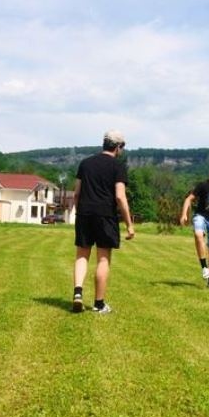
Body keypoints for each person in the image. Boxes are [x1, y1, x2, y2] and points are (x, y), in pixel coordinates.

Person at [71, 130, 135, 314]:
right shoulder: (117, 166)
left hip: (84, 214)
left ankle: (77, 293)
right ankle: (99, 304)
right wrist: (129, 224)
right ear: (117, 147)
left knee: (82, 255)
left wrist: (80, 212)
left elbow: (76, 193)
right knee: (103, 258)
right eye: (122, 147)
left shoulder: (85, 163)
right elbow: (120, 197)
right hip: (105, 215)